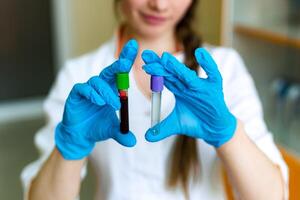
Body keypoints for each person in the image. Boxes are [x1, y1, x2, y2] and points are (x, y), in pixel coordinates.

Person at [22, 0, 288, 199]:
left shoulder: (224, 69)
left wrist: (229, 135)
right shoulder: (80, 76)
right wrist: (70, 148)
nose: (159, 5)